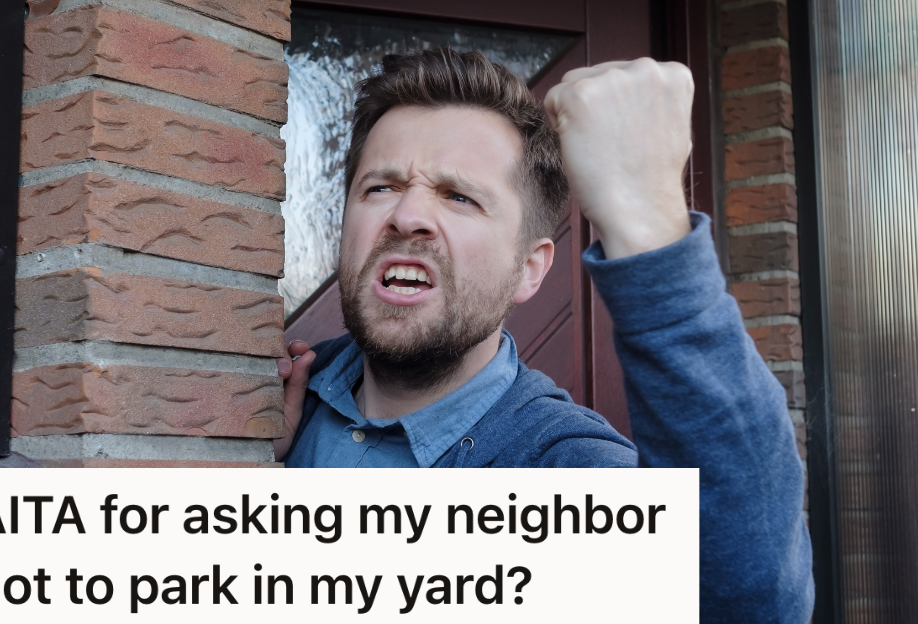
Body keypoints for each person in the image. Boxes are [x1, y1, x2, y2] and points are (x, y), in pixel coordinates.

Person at [272, 49, 813, 622]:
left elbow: (750, 605)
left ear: (530, 269)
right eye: (381, 187)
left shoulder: (561, 468)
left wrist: (650, 227)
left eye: (459, 196)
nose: (407, 215)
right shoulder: (284, 397)